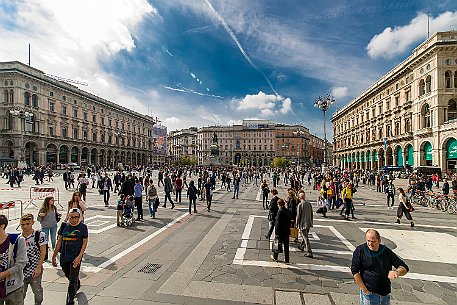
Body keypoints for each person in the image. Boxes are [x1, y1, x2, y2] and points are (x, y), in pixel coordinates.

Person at [351, 229, 409, 305]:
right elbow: (354, 270)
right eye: (368, 241)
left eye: (373, 241)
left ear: (379, 241)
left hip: (385, 294)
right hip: (369, 294)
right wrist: (364, 289)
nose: (370, 244)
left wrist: (397, 272)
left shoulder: (385, 251)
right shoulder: (360, 250)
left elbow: (404, 267)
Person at [52, 208, 88, 305]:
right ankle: (77, 283)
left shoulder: (83, 227)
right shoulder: (64, 226)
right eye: (71, 217)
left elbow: (85, 242)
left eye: (75, 217)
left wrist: (79, 256)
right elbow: (59, 241)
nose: (72, 219)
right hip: (64, 256)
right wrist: (54, 255)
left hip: (75, 257)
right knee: (67, 274)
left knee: (72, 280)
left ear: (79, 217)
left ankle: (70, 300)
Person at [0, 215, 27, 304]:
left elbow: (21, 264)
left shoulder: (17, 240)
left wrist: (3, 274)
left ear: (2, 226)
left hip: (13, 288)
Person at [20, 214, 47, 305]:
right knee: (21, 294)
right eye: (23, 224)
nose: (25, 227)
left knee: (37, 291)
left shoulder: (39, 235)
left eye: (28, 224)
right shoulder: (19, 238)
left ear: (32, 223)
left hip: (35, 269)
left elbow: (43, 251)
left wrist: (39, 267)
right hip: (22, 271)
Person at [271, 199, 290, 263]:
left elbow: (278, 223)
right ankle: (287, 259)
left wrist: (276, 233)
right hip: (286, 231)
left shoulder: (280, 211)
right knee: (286, 246)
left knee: (277, 244)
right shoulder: (286, 210)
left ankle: (275, 257)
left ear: (279, 204)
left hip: (281, 232)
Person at [296, 192, 313, 258]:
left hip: (303, 223)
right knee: (305, 236)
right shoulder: (309, 204)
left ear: (300, 198)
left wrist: (297, 224)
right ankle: (301, 246)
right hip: (308, 222)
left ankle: (309, 252)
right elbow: (311, 213)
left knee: (305, 238)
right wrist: (311, 221)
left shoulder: (300, 205)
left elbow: (298, 216)